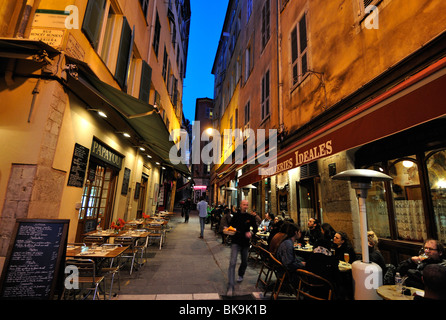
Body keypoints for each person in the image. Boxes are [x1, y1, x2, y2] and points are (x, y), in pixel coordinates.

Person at [226, 199, 258, 296]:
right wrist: (229, 230)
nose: (245, 206)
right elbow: (230, 226)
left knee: (244, 262)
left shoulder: (250, 217)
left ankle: (241, 274)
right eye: (244, 204)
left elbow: (255, 228)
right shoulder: (236, 216)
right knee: (232, 263)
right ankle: (230, 286)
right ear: (240, 205)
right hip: (236, 241)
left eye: (247, 205)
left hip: (245, 243)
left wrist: (251, 233)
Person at [305, 231, 342, 299]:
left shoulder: (311, 256)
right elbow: (336, 276)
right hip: (325, 286)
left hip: (310, 286)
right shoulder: (331, 259)